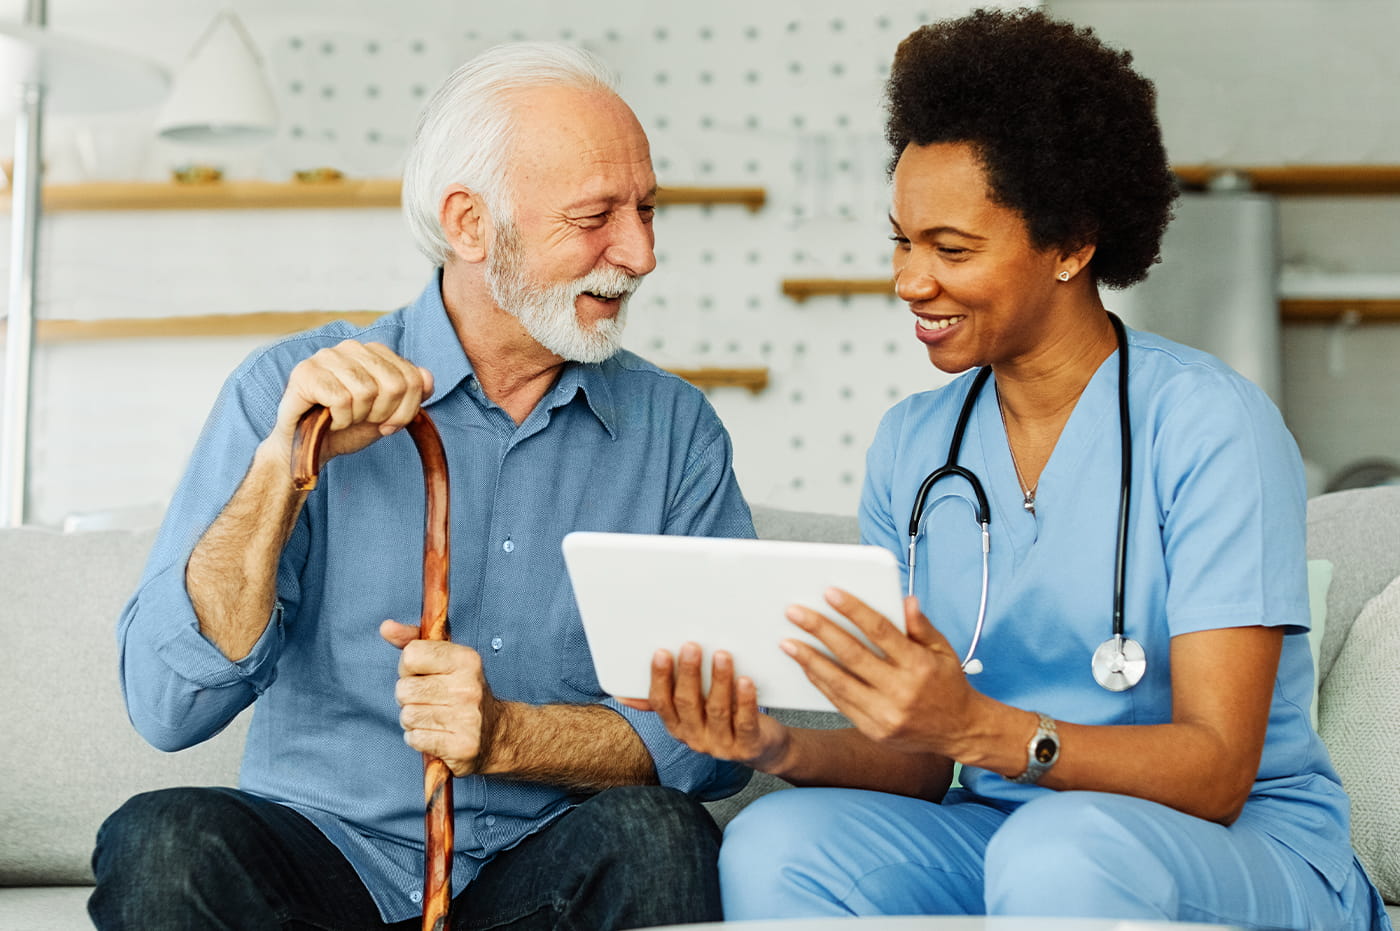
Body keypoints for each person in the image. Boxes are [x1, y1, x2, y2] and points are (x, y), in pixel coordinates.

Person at [630, 9, 1394, 930]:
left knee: (1058, 854)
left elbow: (1218, 769)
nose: (911, 281)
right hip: (1008, 826)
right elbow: (921, 761)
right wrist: (774, 746)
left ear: (1071, 244)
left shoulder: (1210, 424)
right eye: (902, 241)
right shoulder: (914, 445)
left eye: (951, 249)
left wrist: (978, 727)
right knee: (776, 843)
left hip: (1237, 844)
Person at [89, 41, 754, 931]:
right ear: (470, 224)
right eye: (596, 216)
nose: (639, 253)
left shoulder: (676, 433)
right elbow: (168, 706)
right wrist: (283, 468)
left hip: (541, 875)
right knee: (163, 842)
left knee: (659, 835)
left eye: (645, 210)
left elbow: (721, 742)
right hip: (329, 858)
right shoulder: (287, 389)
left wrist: (511, 736)